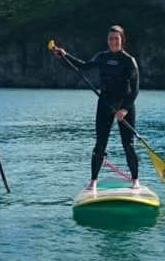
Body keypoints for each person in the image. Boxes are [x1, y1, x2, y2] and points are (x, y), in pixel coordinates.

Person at [52, 25, 141, 191]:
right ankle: (93, 181)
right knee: (100, 144)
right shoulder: (101, 57)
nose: (113, 41)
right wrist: (65, 55)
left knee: (128, 144)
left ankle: (135, 180)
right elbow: (83, 65)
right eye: (110, 38)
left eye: (116, 38)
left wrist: (124, 109)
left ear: (122, 40)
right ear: (107, 40)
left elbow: (135, 89)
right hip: (105, 104)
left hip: (124, 104)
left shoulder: (129, 61)